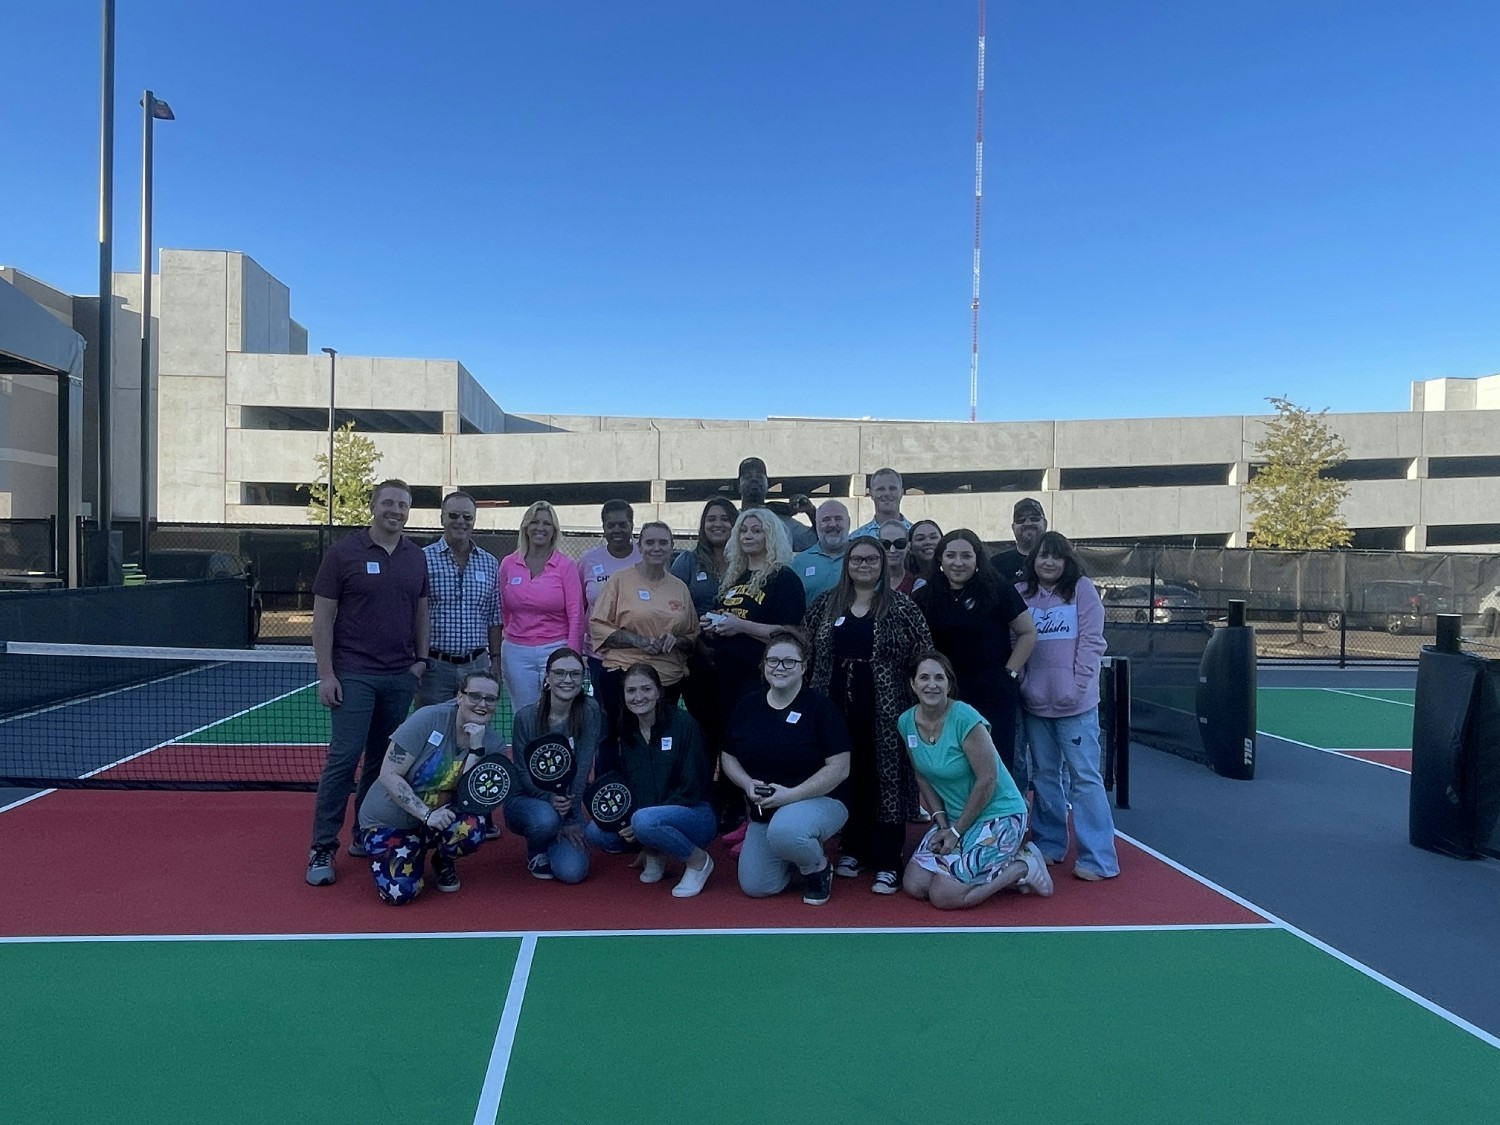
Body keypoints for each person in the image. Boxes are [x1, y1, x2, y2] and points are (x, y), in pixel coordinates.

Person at [306, 479, 430, 887]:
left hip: (400, 676)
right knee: (344, 762)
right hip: (354, 674)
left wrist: (420, 661)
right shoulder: (343, 554)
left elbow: (421, 611)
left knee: (382, 764)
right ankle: (323, 846)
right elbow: (322, 617)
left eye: (403, 505)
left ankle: (365, 831)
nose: (396, 510)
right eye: (389, 503)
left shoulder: (416, 557)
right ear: (374, 506)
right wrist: (326, 674)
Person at [803, 536, 932, 894]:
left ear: (883, 564)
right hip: (832, 708)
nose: (864, 565)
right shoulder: (825, 605)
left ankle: (888, 860)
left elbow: (923, 656)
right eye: (857, 559)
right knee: (844, 777)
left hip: (887, 710)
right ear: (846, 564)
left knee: (885, 779)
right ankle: (851, 847)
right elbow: (806, 651)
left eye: (871, 560)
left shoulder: (903, 608)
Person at [899, 651, 1053, 909]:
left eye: (940, 678)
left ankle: (1021, 866)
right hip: (957, 820)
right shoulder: (906, 722)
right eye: (924, 677)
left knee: (944, 896)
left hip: (1000, 815)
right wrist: (941, 823)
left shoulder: (965, 718)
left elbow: (988, 780)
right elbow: (922, 775)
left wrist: (956, 831)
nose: (932, 684)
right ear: (913, 684)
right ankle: (984, 862)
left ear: (949, 684)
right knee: (915, 885)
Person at [720, 629, 851, 905]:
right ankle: (793, 851)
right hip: (767, 810)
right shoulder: (748, 706)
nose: (780, 667)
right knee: (756, 886)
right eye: (773, 660)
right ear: (764, 665)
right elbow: (728, 757)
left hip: (822, 801)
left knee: (786, 829)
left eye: (789, 661)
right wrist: (747, 783)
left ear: (803, 667)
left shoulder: (821, 709)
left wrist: (791, 795)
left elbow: (839, 768)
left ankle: (816, 868)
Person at [1018, 532, 1119, 881]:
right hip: (1035, 704)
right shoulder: (1022, 595)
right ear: (1033, 560)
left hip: (1076, 706)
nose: (1048, 563)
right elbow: (1017, 641)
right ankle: (1049, 844)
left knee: (1085, 778)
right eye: (1043, 556)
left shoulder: (1083, 591)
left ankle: (1099, 857)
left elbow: (1093, 641)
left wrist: (1078, 686)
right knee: (1044, 776)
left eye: (1056, 557)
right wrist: (1024, 683)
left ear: (1067, 561)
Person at [355, 670, 496, 904]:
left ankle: (442, 858)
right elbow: (389, 775)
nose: (482, 704)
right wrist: (426, 814)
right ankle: (411, 852)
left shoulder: (492, 743)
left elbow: (469, 796)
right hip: (389, 820)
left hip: (439, 818)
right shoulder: (427, 719)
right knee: (399, 893)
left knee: (472, 830)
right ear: (460, 697)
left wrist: (476, 749)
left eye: (490, 699)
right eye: (474, 696)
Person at [586, 663, 717, 897]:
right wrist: (627, 821)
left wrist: (642, 822)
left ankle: (699, 861)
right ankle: (654, 850)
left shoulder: (684, 724)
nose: (639, 697)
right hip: (646, 818)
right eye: (631, 691)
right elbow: (628, 787)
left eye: (646, 689)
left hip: (695, 814)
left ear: (658, 692)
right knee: (596, 832)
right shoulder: (627, 733)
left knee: (644, 821)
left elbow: (692, 787)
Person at [914, 528, 1037, 777]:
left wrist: (1009, 673)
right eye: (951, 555)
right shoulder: (924, 597)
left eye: (966, 556)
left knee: (994, 767)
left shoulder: (998, 589)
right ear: (940, 559)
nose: (958, 562)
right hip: (945, 695)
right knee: (951, 766)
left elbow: (1027, 633)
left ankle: (998, 816)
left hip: (991, 693)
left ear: (977, 559)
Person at [589, 521, 699, 760]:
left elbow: (691, 636)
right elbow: (598, 625)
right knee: (617, 737)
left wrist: (675, 640)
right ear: (640, 547)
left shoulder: (679, 587)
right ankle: (613, 789)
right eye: (650, 542)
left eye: (663, 542)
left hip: (667, 680)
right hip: (623, 672)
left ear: (672, 547)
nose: (656, 548)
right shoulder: (619, 581)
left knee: (661, 741)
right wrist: (637, 641)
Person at [504, 646, 600, 883]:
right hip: (529, 802)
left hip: (568, 804)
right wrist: (549, 800)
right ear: (547, 677)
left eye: (575, 674)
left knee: (572, 873)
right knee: (546, 819)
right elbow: (521, 772)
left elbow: (583, 767)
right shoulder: (525, 718)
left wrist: (569, 816)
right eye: (560, 673)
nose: (567, 680)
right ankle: (537, 849)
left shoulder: (590, 710)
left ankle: (555, 832)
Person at [700, 508, 806, 718]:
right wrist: (713, 625)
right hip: (725, 673)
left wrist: (741, 626)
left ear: (771, 536)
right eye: (743, 530)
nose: (748, 535)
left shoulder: (784, 578)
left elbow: (792, 633)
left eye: (757, 531)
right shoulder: (733, 577)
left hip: (760, 675)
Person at [499, 501, 584, 717]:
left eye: (546, 523)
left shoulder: (566, 566)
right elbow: (503, 610)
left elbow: (576, 614)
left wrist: (571, 656)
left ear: (554, 530)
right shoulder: (508, 564)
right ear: (525, 527)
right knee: (525, 714)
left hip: (556, 648)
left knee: (558, 713)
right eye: (534, 522)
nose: (540, 528)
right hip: (516, 652)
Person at [418, 490, 502, 707]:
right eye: (453, 516)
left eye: (467, 517)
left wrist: (495, 660)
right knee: (433, 730)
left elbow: (494, 617)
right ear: (442, 518)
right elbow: (414, 615)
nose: (461, 522)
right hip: (435, 668)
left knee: (474, 728)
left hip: (477, 666)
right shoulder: (421, 559)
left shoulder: (490, 563)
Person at [671, 497, 737, 750]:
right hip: (697, 659)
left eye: (724, 519)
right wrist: (697, 642)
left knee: (733, 727)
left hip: (738, 659)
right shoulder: (687, 561)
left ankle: (733, 788)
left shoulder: (746, 561)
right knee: (704, 730)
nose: (717, 524)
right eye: (711, 519)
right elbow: (674, 607)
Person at [577, 500, 641, 693]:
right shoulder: (588, 560)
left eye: (622, 524)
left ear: (631, 525)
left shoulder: (645, 555)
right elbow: (579, 606)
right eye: (611, 525)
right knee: (605, 713)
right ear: (603, 527)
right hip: (600, 655)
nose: (617, 530)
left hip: (639, 653)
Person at [736, 456, 816, 552]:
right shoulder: (731, 520)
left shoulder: (783, 521)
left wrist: (811, 511)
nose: (754, 480)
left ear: (767, 485)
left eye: (759, 476)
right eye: (747, 477)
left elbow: (820, 542)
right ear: (738, 486)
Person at [791, 499, 851, 606]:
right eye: (826, 519)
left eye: (838, 519)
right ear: (817, 524)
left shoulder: (862, 560)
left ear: (849, 523)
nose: (832, 524)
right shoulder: (798, 563)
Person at [992, 497, 1047, 584]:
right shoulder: (996, 564)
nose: (1028, 523)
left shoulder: (1062, 562)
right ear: (1013, 527)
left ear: (1045, 524)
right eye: (1021, 520)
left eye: (1034, 518)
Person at [850, 467, 911, 539]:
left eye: (892, 488)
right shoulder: (855, 538)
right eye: (881, 489)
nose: (887, 493)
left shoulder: (915, 536)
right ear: (871, 493)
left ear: (901, 492)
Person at [879, 519, 919, 595]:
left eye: (899, 543)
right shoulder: (869, 581)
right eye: (886, 544)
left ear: (908, 546)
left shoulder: (916, 585)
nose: (892, 550)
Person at [907, 520, 942, 587]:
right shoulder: (905, 582)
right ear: (910, 547)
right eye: (920, 539)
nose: (928, 542)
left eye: (933, 537)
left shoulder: (952, 577)